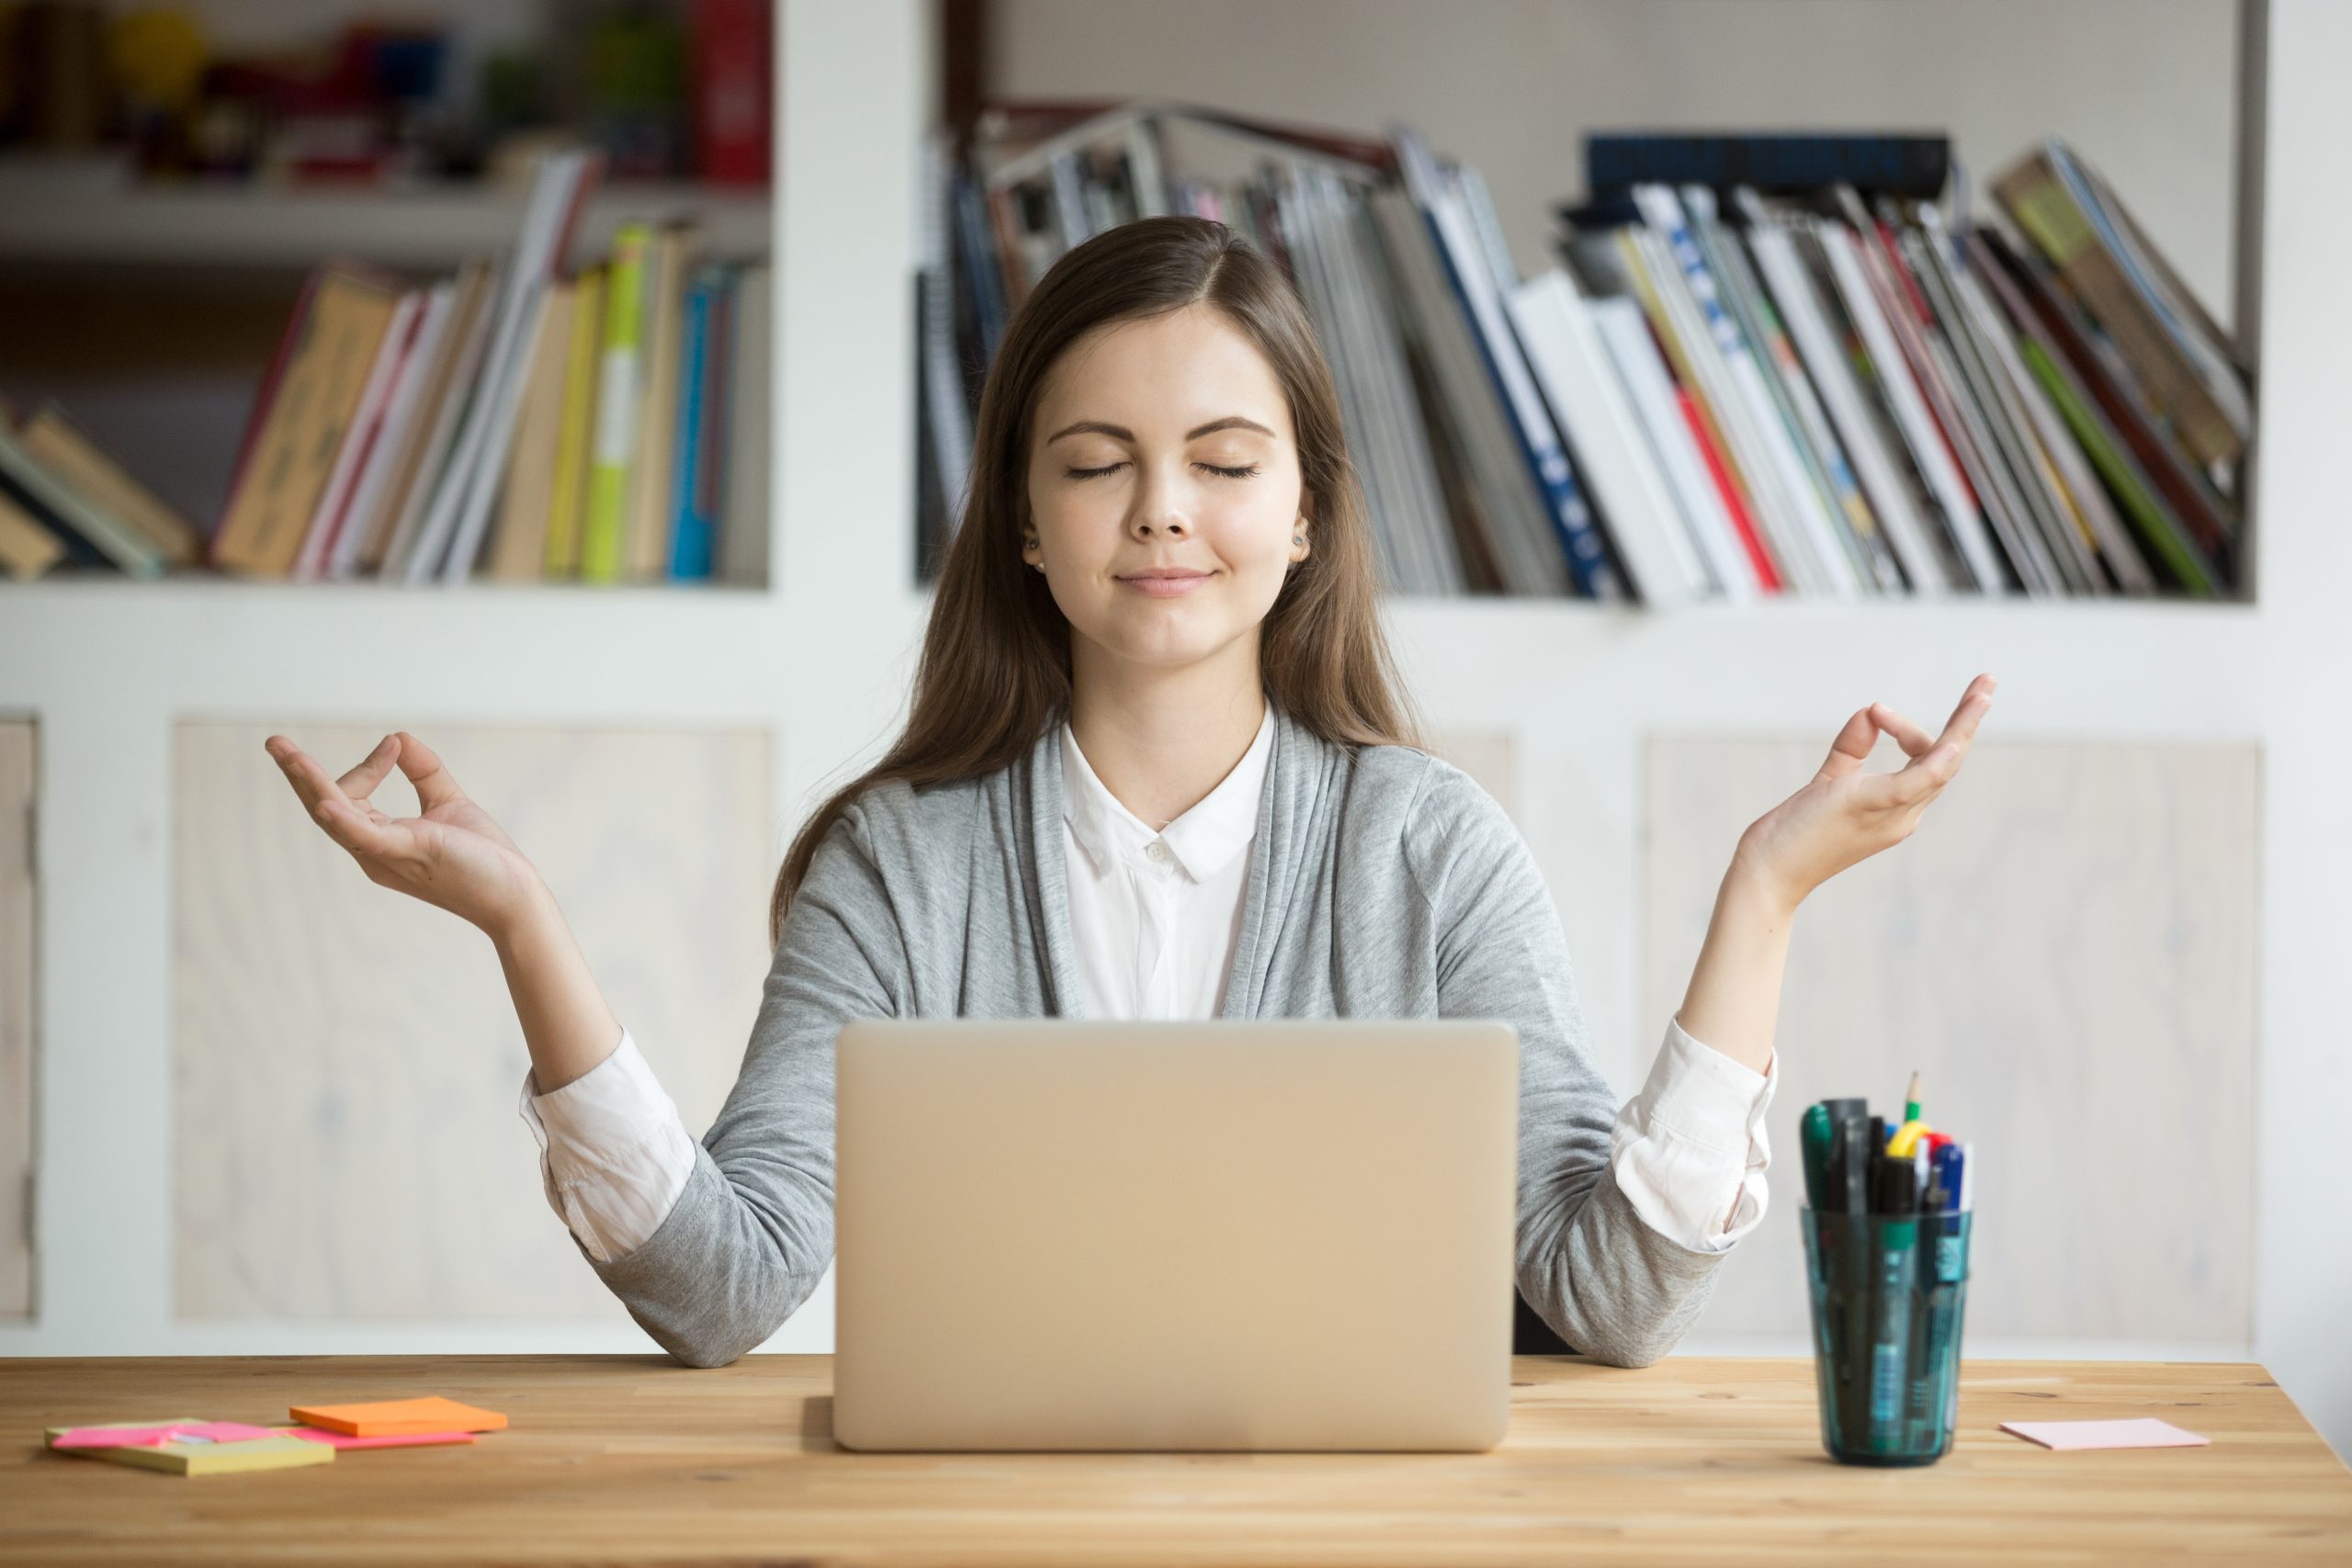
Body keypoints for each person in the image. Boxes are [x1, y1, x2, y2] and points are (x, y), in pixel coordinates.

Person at [265, 215, 1993, 1370]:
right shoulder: (901, 866)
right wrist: (523, 925)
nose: (1163, 511)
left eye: (1226, 466)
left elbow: (1606, 1301)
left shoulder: (1430, 850)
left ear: (1305, 512)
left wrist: (1761, 896)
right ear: (1025, 522)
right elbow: (724, 1293)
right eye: (1098, 467)